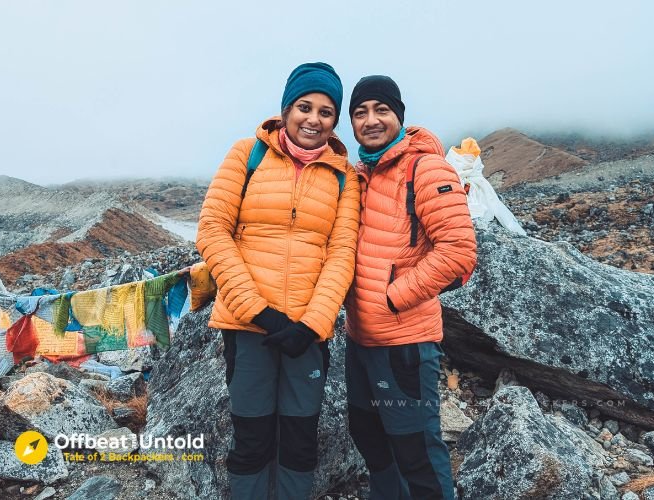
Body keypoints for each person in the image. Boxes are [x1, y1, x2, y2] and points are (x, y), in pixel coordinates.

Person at [196, 62, 360, 500]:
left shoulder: (345, 176)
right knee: (251, 437)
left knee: (300, 437)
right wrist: (260, 312)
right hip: (250, 327)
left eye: (326, 112)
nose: (313, 119)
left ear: (334, 121)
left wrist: (313, 323)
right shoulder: (246, 154)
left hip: (308, 332)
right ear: (286, 109)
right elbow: (213, 230)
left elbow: (342, 252)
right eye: (304, 107)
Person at [344, 75, 477, 500]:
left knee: (415, 448)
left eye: (381, 109)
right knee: (371, 439)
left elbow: (458, 252)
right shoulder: (360, 171)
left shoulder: (426, 167)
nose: (371, 120)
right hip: (359, 341)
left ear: (399, 115)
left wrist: (392, 297)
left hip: (404, 342)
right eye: (361, 112)